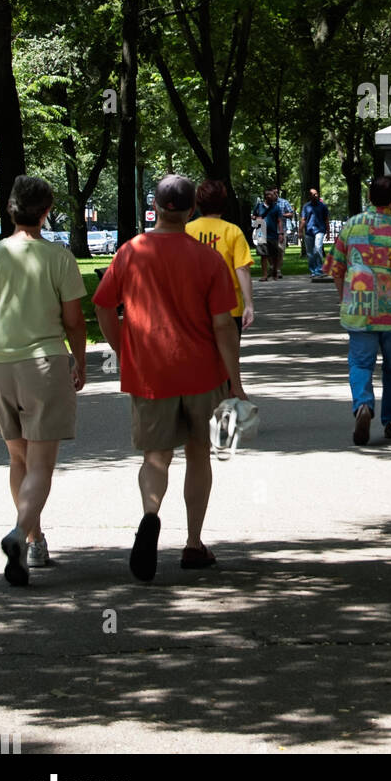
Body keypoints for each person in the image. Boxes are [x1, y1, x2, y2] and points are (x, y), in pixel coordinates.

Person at [93, 175, 250, 581]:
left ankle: (150, 515)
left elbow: (104, 306)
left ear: (156, 207)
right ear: (191, 210)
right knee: (199, 454)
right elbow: (222, 327)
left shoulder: (131, 252)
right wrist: (235, 381)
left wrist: (123, 350)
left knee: (156, 457)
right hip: (202, 372)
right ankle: (194, 544)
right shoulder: (208, 260)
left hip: (150, 373)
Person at [0, 175, 87, 586]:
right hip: (43, 365)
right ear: (46, 211)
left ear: (10, 208)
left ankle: (34, 539)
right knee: (41, 464)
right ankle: (17, 535)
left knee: (18, 459)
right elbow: (75, 321)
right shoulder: (59, 258)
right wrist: (80, 361)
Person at [323, 174, 391, 445]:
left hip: (359, 311)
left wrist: (344, 297)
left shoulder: (351, 227)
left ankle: (363, 405)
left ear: (370, 197)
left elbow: (335, 269)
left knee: (360, 363)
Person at [185, 180, 254, 331]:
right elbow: (242, 269)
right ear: (224, 203)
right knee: (228, 353)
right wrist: (249, 304)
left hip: (193, 307)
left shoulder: (186, 231)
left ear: (198, 203)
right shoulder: (233, 231)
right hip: (230, 306)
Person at [301, 187, 329, 279]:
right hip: (309, 231)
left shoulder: (323, 206)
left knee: (317, 248)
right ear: (310, 196)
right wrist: (300, 230)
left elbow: (326, 220)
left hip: (319, 230)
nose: (315, 196)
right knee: (310, 253)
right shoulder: (306, 206)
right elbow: (303, 220)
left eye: (316, 194)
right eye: (313, 194)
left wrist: (328, 232)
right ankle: (313, 271)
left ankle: (320, 270)